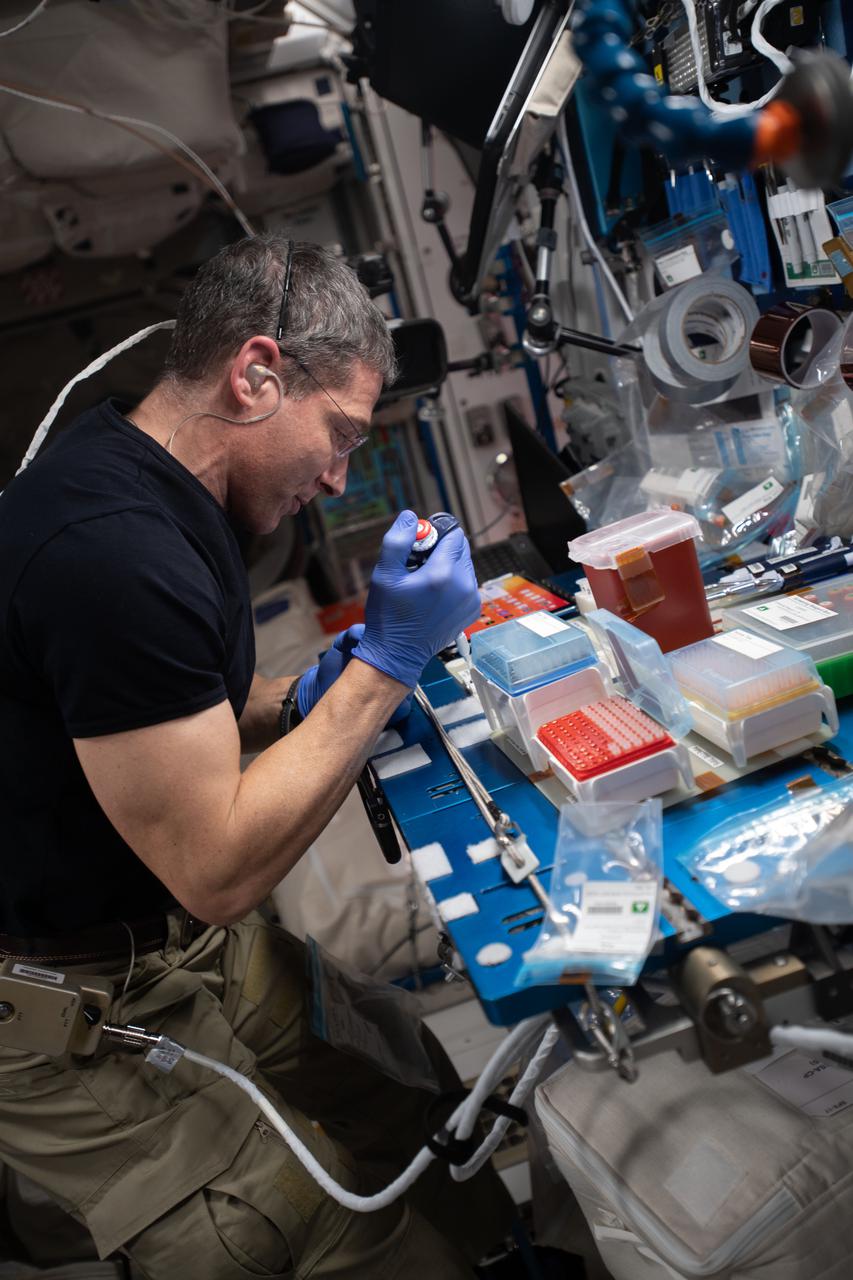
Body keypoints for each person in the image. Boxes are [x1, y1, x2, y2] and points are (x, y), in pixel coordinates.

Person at [0, 235, 514, 1277]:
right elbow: (219, 868)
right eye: (337, 436)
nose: (336, 476)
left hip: (170, 939)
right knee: (306, 1230)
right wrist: (388, 668)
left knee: (406, 1089)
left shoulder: (155, 483)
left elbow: (165, 705)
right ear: (256, 372)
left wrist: (306, 697)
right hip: (67, 998)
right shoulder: (110, 549)